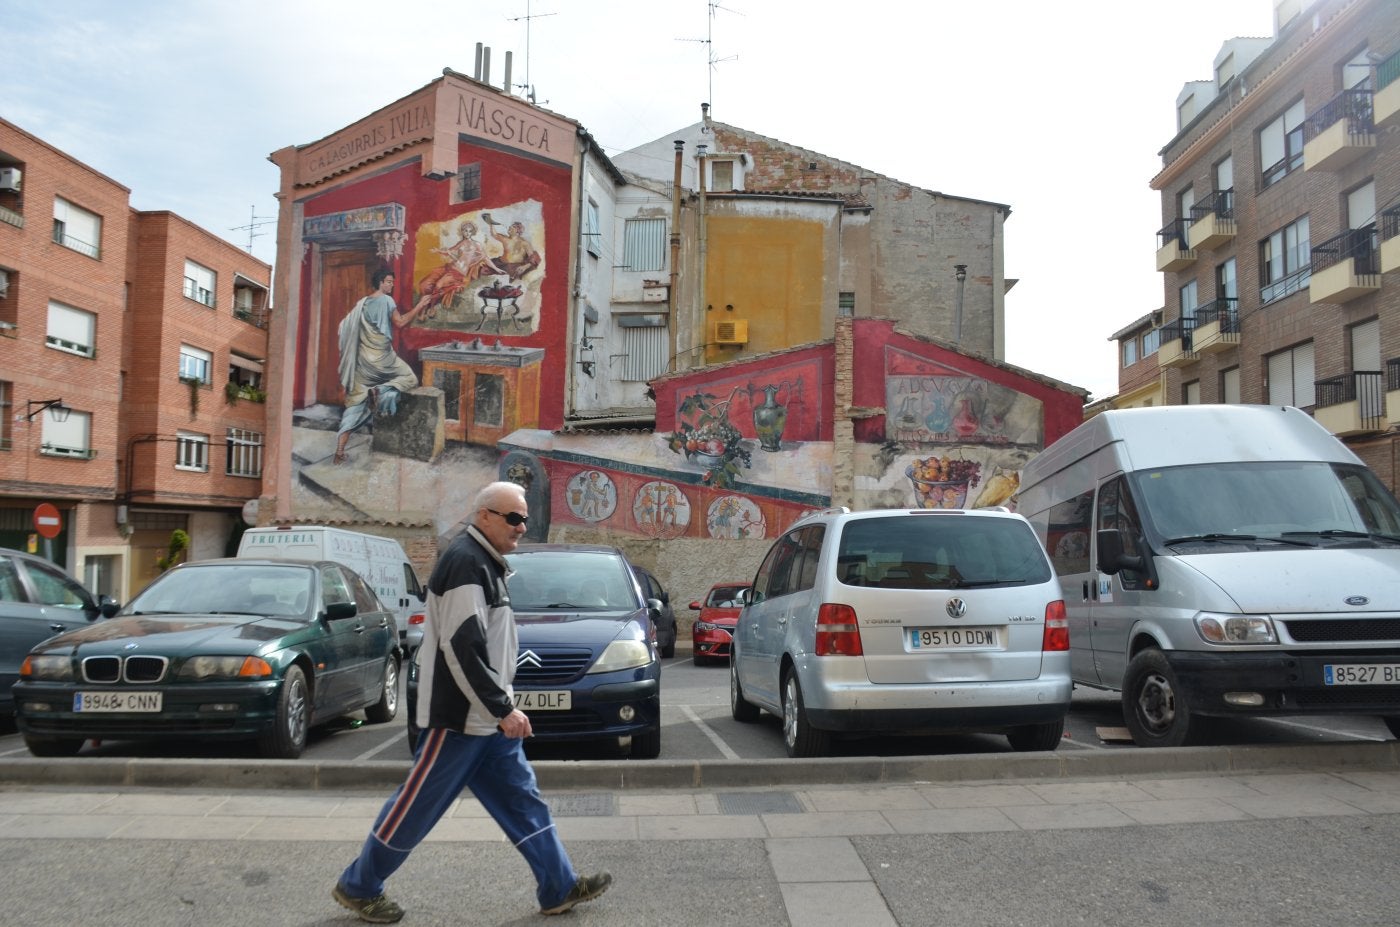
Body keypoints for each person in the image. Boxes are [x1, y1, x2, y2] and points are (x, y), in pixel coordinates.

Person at [332, 481, 611, 924]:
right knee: (416, 805)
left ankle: (558, 885)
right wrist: (502, 708)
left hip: (486, 721)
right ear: (484, 516)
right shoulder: (466, 562)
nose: (522, 526)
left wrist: (498, 711)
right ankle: (358, 886)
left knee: (524, 801)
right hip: (459, 718)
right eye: (513, 517)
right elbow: (463, 647)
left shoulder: (484, 562)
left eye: (524, 518)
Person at [333, 269, 431, 464]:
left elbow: (344, 327)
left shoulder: (363, 304)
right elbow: (401, 322)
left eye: (392, 282)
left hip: (363, 362)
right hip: (383, 359)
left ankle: (339, 451)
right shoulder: (387, 301)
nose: (391, 285)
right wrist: (420, 305)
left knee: (355, 403)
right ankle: (382, 390)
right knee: (410, 378)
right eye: (388, 282)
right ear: (380, 282)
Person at [416, 220, 507, 316]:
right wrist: (437, 250)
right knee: (430, 284)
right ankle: (427, 308)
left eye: (469, 231)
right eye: (465, 231)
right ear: (462, 232)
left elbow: (485, 258)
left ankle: (430, 308)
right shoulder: (461, 243)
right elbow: (449, 251)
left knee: (438, 284)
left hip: (459, 274)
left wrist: (496, 269)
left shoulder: (477, 245)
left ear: (473, 232)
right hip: (451, 268)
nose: (467, 233)